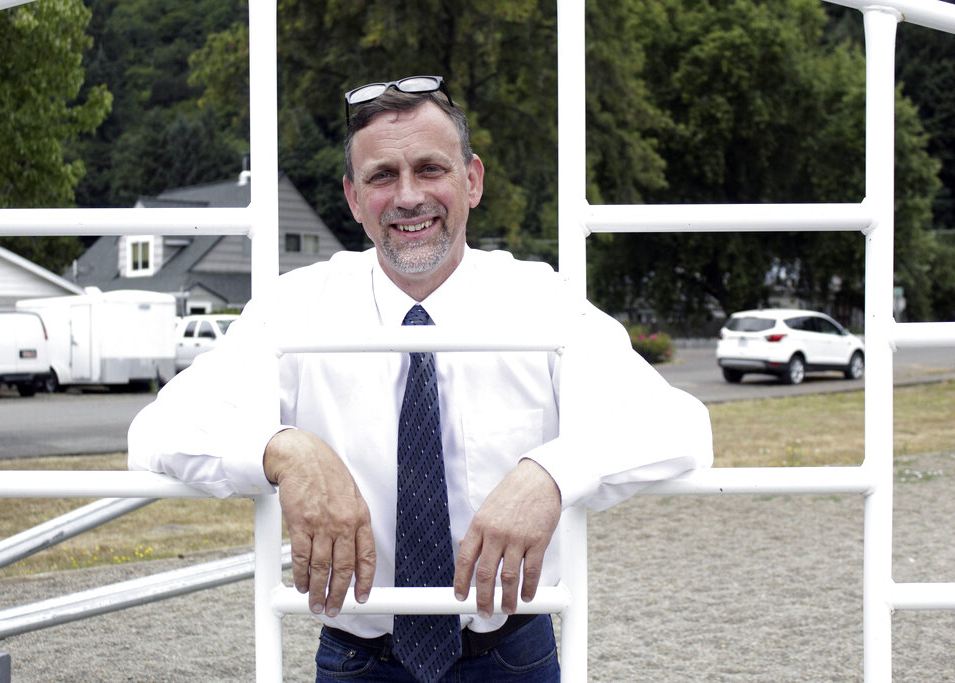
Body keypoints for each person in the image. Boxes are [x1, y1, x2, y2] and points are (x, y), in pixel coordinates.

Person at [128, 75, 713, 682]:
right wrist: (285, 450)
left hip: (509, 652)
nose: (409, 197)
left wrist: (553, 474)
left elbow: (680, 425)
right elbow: (158, 429)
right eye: (383, 176)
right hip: (359, 657)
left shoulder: (541, 301)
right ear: (354, 199)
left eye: (431, 169)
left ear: (473, 181)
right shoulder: (296, 309)